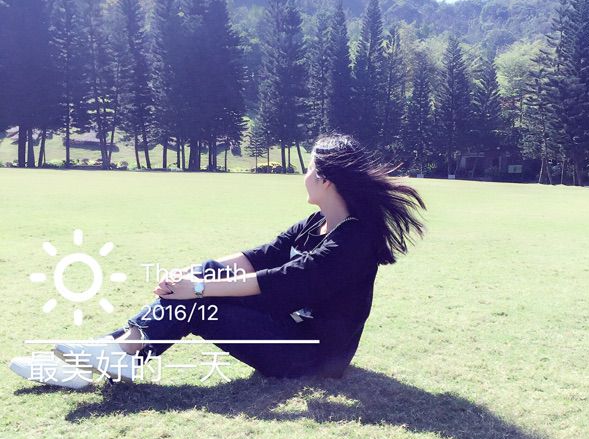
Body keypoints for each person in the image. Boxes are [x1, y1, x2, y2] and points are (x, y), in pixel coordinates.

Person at [9, 132, 426, 389]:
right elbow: (261, 255)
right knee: (204, 279)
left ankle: (110, 354)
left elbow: (283, 282)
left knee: (198, 302)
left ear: (325, 179)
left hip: (311, 357)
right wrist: (192, 274)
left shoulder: (353, 239)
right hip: (286, 328)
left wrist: (197, 288)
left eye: (309, 169)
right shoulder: (318, 223)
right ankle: (100, 358)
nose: (304, 176)